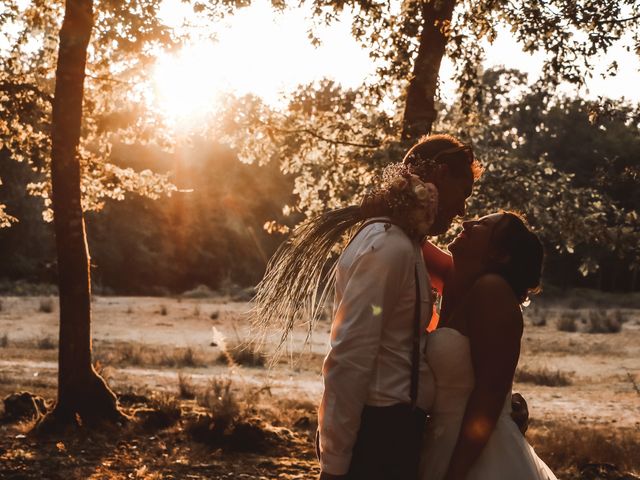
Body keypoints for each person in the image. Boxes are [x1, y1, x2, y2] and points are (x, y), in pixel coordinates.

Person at [251, 133, 480, 480]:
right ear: (442, 175)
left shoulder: (407, 244)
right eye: (463, 193)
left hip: (396, 433)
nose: (463, 208)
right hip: (379, 435)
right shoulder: (388, 247)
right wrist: (335, 462)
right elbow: (349, 356)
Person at [419, 212, 557, 480]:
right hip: (440, 438)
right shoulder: (454, 278)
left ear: (500, 254)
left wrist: (456, 474)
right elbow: (404, 230)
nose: (466, 223)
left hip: (476, 456)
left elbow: (490, 394)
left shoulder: (492, 291)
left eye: (483, 225)